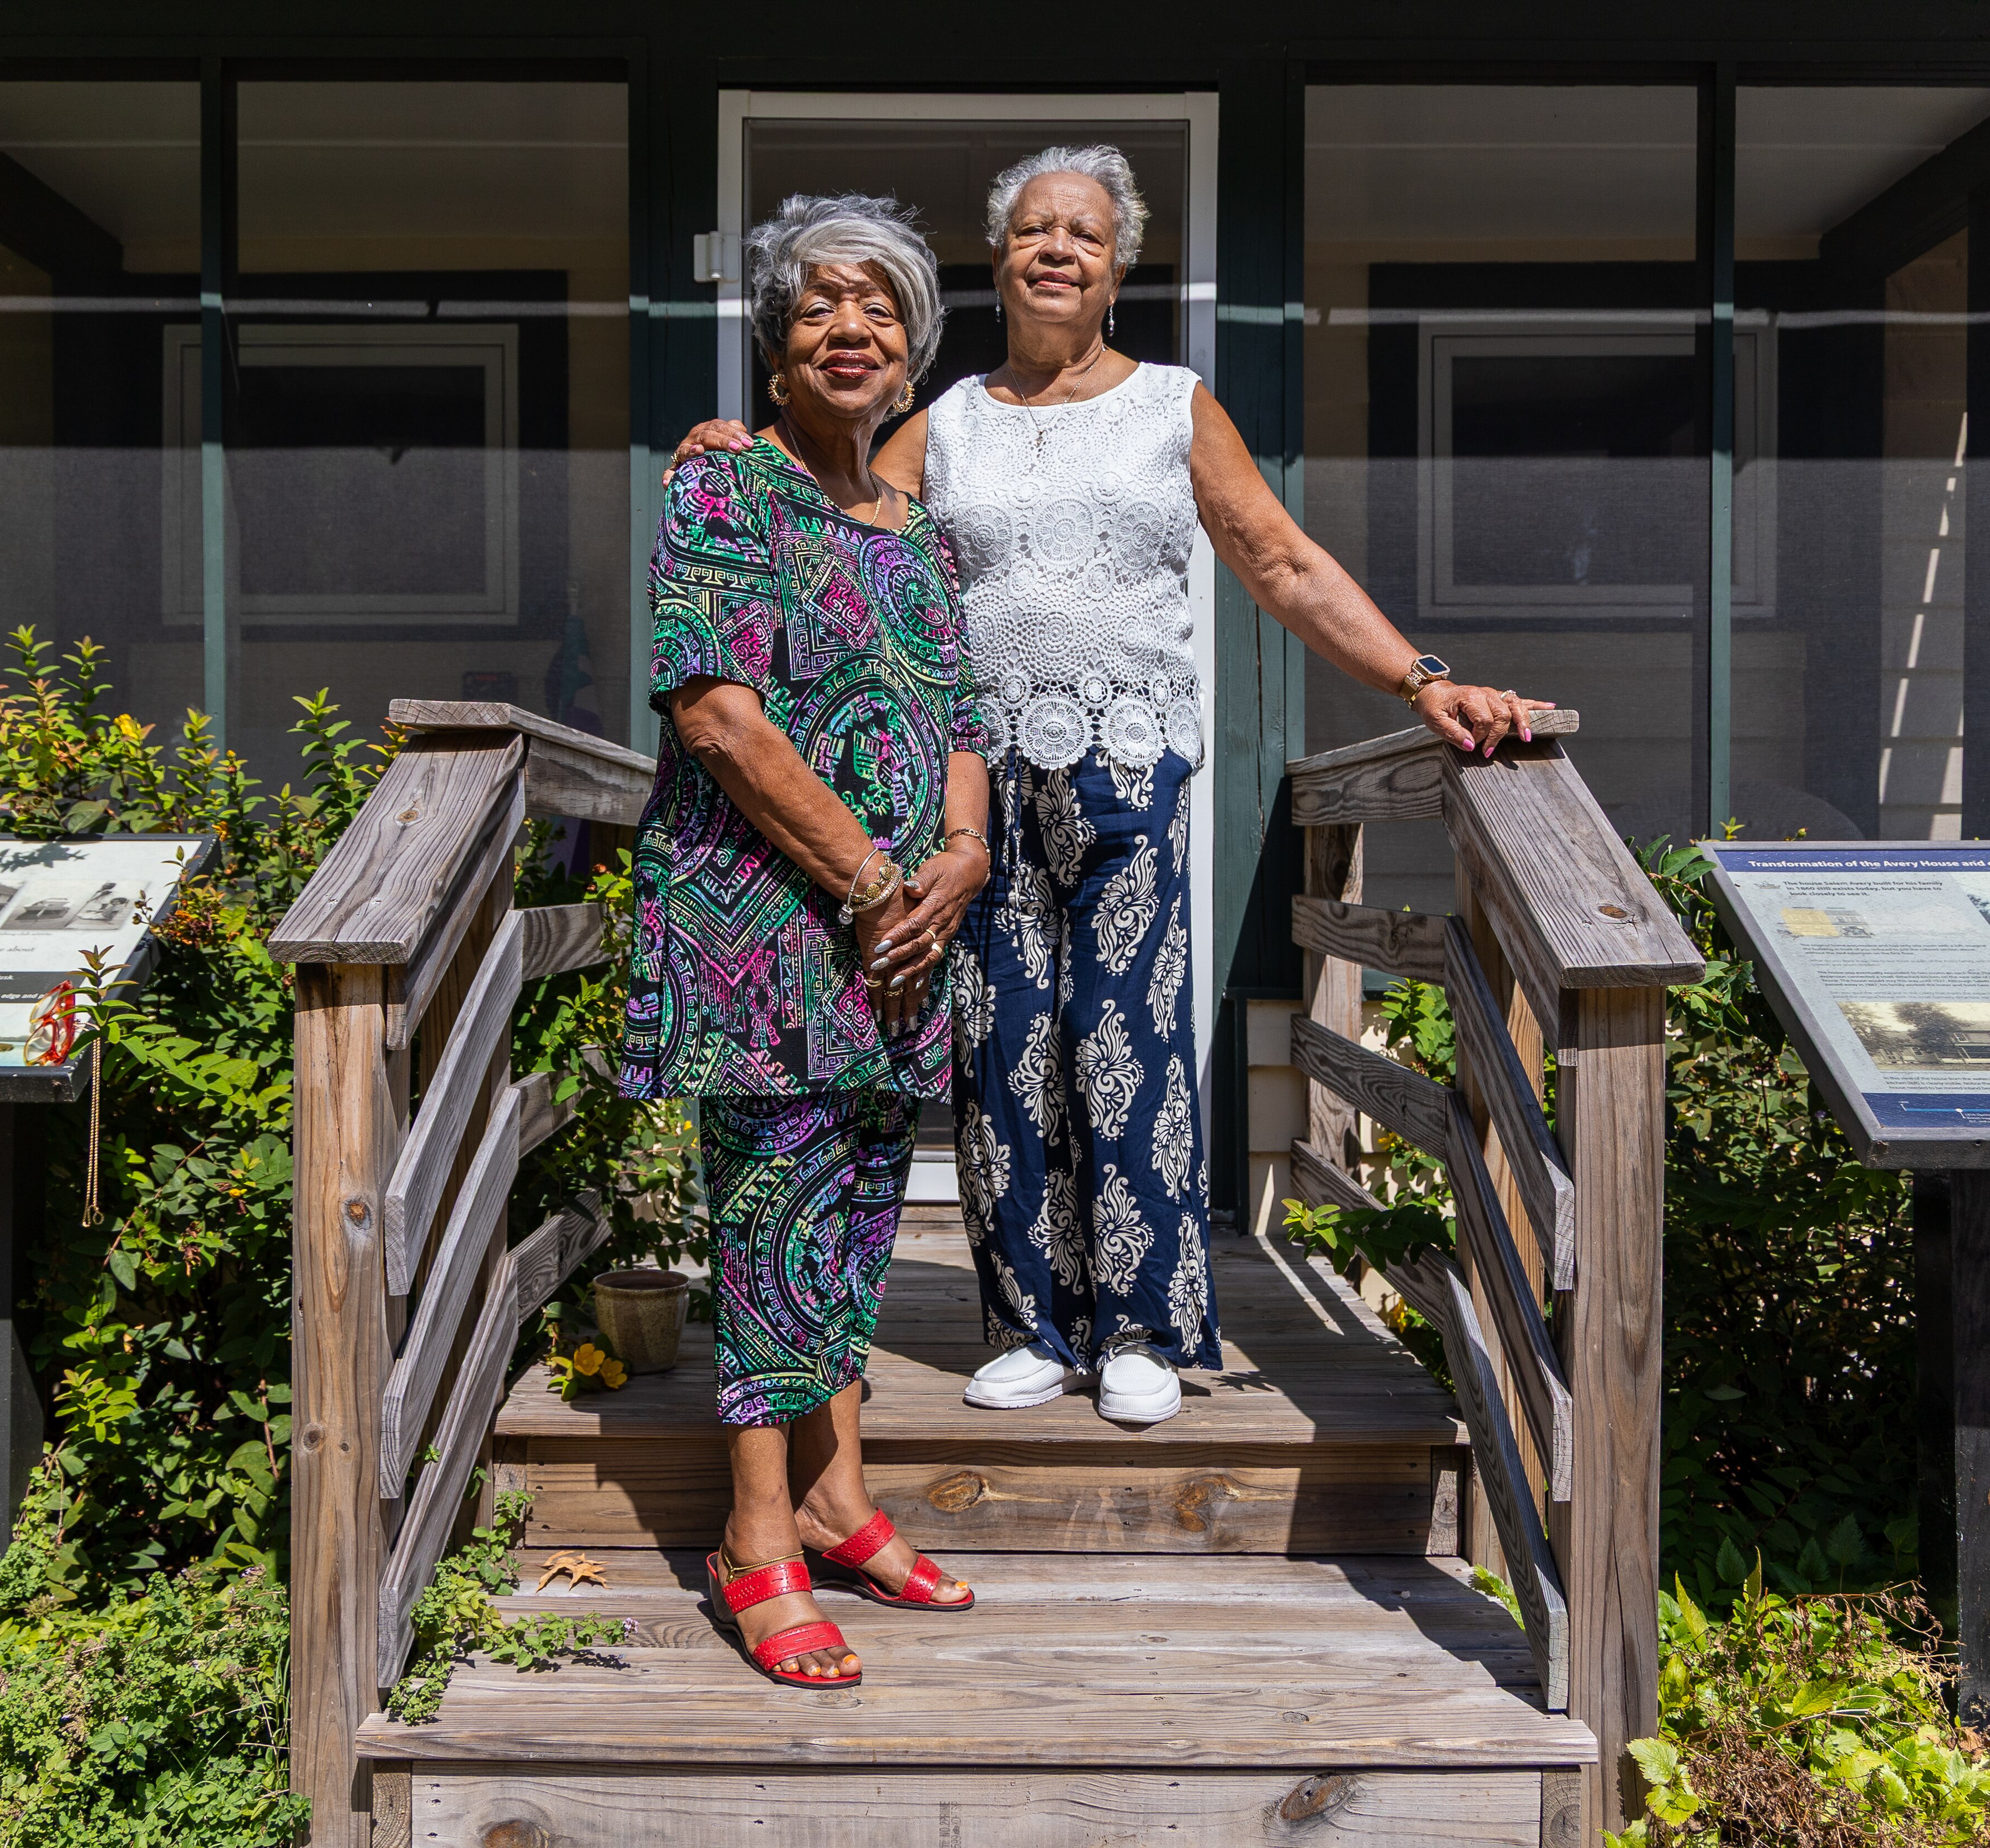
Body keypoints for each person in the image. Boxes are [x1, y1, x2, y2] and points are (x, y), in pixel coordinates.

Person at [669, 146, 1545, 1430]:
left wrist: (1423, 682)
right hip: (977, 784)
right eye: (1031, 230)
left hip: (1129, 763)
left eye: (1081, 232)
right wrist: (734, 452)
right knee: (1003, 1047)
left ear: (1120, 269)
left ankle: (1140, 1322)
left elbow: (1282, 563)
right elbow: (839, 512)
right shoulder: (948, 416)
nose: (1054, 249)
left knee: (1124, 1041)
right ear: (1000, 262)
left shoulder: (1172, 406)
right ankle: (1031, 1317)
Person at [621, 193, 991, 1688]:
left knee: (853, 1215)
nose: (853, 330)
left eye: (882, 309)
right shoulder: (725, 496)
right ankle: (755, 1534)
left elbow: (965, 721)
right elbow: (713, 709)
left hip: (899, 934)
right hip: (769, 927)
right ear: (777, 351)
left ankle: (839, 1494)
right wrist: (866, 879)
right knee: (771, 1219)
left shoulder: (925, 537)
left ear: (909, 355)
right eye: (821, 308)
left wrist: (957, 857)